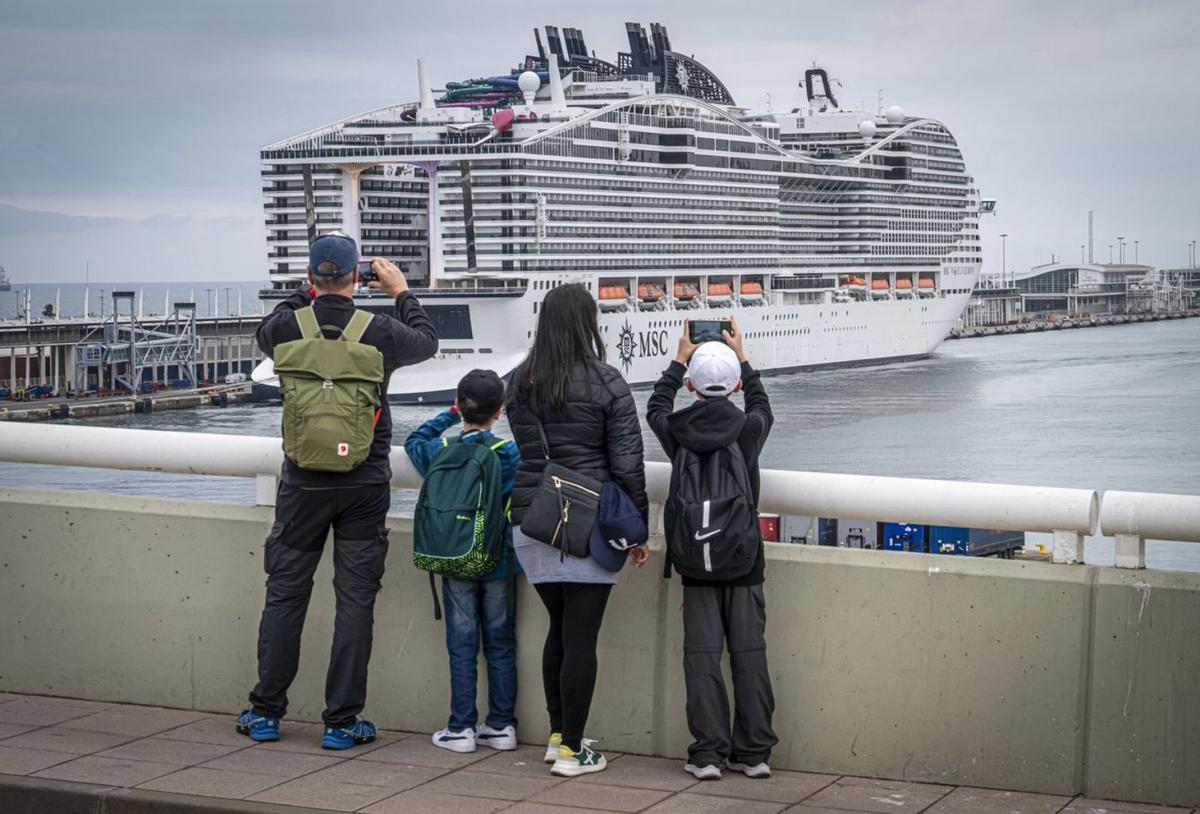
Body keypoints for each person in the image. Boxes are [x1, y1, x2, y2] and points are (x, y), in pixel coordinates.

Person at [237, 233, 438, 750]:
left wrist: (307, 295)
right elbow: (428, 340)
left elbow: (267, 326)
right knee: (354, 602)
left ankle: (265, 713)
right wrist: (399, 290)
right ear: (357, 278)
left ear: (309, 278)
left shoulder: (285, 328)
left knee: (284, 596)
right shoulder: (381, 330)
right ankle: (342, 721)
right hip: (364, 483)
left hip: (302, 482)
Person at [505, 283, 649, 777]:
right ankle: (572, 751)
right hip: (586, 523)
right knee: (581, 636)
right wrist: (637, 532)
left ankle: (557, 736)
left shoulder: (519, 382)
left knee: (560, 631)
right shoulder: (608, 381)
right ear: (588, 323)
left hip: (533, 518)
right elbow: (628, 465)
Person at [645, 317, 777, 781]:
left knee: (701, 657)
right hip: (743, 561)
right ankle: (755, 753)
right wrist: (743, 356)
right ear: (736, 384)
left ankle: (707, 755)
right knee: (749, 653)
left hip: (695, 562)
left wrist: (678, 357)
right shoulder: (748, 430)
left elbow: (655, 406)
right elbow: (763, 404)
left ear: (690, 385)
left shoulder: (677, 432)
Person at [404, 369, 522, 754]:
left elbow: (414, 439)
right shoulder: (508, 454)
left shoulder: (441, 452)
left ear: (460, 405)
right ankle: (502, 726)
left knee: (462, 643)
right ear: (499, 412)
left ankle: (461, 728)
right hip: (499, 558)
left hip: (455, 556)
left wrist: (450, 415)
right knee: (501, 643)